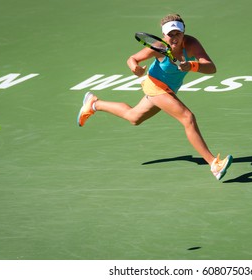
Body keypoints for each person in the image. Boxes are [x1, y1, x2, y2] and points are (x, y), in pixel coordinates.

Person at [77, 13, 232, 180]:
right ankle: (214, 164)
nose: (174, 37)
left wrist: (193, 65)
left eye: (178, 33)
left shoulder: (192, 44)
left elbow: (211, 68)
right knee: (188, 118)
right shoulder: (159, 47)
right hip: (155, 85)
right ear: (164, 34)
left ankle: (94, 104)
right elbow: (132, 59)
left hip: (169, 89)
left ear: (184, 31)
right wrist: (135, 68)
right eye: (170, 34)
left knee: (134, 117)